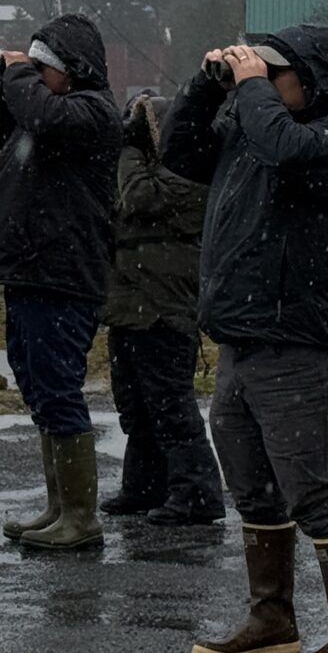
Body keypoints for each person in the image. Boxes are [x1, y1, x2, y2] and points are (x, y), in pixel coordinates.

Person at [162, 25, 328, 653]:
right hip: (240, 339)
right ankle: (272, 619)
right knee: (254, 491)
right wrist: (208, 85)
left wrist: (252, 85)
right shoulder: (252, 131)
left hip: (299, 346)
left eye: (278, 71)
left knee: (313, 492)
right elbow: (178, 150)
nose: (260, 80)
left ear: (313, 82)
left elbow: (285, 150)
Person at [0, 13, 121, 551]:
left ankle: (81, 516)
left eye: (45, 69)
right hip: (34, 268)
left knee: (58, 386)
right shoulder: (49, 114)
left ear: (71, 71)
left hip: (63, 273)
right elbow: (3, 127)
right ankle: (60, 506)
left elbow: (37, 109)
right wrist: (1, 80)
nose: (34, 78)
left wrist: (19, 75)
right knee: (37, 381)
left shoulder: (93, 113)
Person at [101, 91, 224, 525]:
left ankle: (197, 492)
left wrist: (128, 149)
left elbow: (138, 199)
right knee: (136, 405)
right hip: (131, 307)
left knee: (170, 404)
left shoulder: (188, 176)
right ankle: (144, 486)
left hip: (163, 309)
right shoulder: (155, 173)